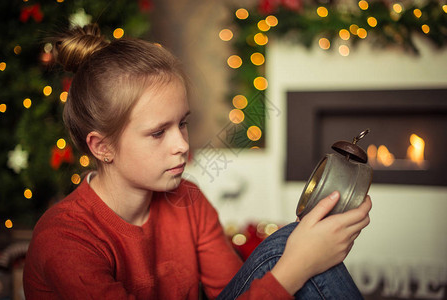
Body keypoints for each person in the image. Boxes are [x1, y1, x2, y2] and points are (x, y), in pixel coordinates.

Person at [23, 24, 372, 300]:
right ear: (102, 148)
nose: (182, 145)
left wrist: (307, 256)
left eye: (182, 124)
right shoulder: (66, 239)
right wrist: (295, 267)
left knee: (298, 246)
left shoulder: (187, 200)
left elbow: (236, 290)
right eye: (158, 132)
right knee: (293, 254)